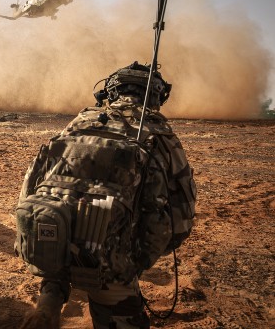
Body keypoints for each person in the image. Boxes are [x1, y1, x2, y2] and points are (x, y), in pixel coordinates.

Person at [17, 62, 197, 329]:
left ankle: (48, 305)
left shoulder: (77, 125)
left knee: (57, 272)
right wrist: (138, 260)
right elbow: (180, 219)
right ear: (156, 98)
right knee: (114, 297)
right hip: (109, 262)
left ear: (109, 92)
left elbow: (29, 188)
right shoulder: (158, 136)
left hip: (52, 239)